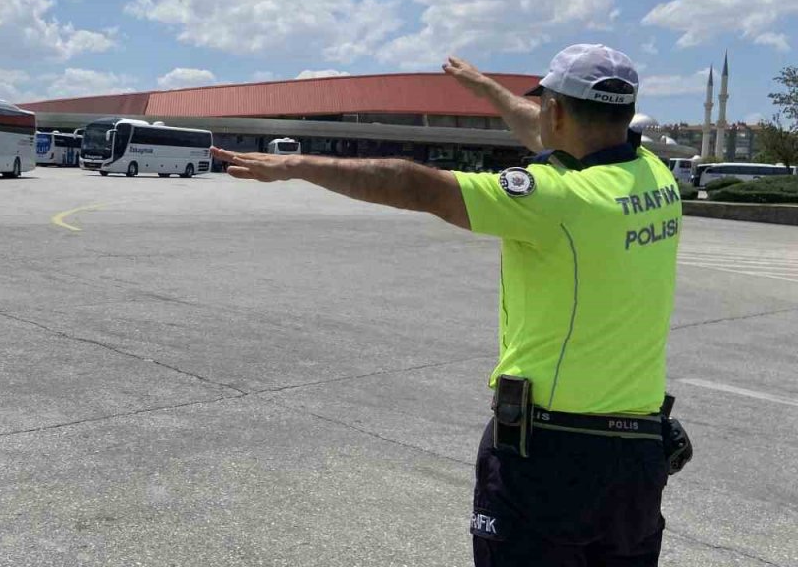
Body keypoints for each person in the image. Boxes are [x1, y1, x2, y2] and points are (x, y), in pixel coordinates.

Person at [212, 44, 684, 566]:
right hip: (638, 459)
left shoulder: (556, 198)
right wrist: (487, 90)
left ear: (557, 110)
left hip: (552, 455)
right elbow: (543, 129)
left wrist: (299, 165)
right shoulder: (652, 174)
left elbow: (418, 185)